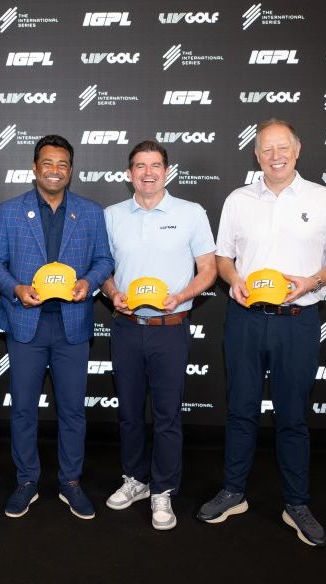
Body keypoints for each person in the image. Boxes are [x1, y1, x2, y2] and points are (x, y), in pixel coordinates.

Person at [196, 118, 326, 547]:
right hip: (245, 319)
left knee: (293, 417)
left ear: (297, 150)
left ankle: (296, 504)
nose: (275, 155)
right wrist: (232, 279)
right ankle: (232, 492)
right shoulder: (238, 199)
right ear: (256, 154)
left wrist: (313, 281)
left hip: (298, 322)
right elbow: (224, 257)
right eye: (267, 149)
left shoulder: (325, 198)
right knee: (240, 409)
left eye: (282, 147)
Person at [0, 135, 114, 519]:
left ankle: (70, 482)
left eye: (62, 164)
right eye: (48, 163)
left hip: (72, 326)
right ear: (35, 167)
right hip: (27, 324)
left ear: (70, 170)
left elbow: (105, 260)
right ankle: (27, 481)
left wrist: (88, 283)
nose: (55, 170)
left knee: (73, 409)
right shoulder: (10, 211)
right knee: (23, 409)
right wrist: (16, 289)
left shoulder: (90, 212)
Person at [101, 140, 216, 530]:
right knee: (130, 413)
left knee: (166, 415)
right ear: (129, 173)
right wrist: (113, 293)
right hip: (127, 329)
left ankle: (163, 490)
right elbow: (103, 268)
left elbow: (208, 269)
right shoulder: (111, 215)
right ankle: (135, 479)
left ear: (167, 170)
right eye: (139, 166)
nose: (147, 172)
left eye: (155, 165)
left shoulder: (191, 213)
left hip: (170, 329)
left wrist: (182, 296)